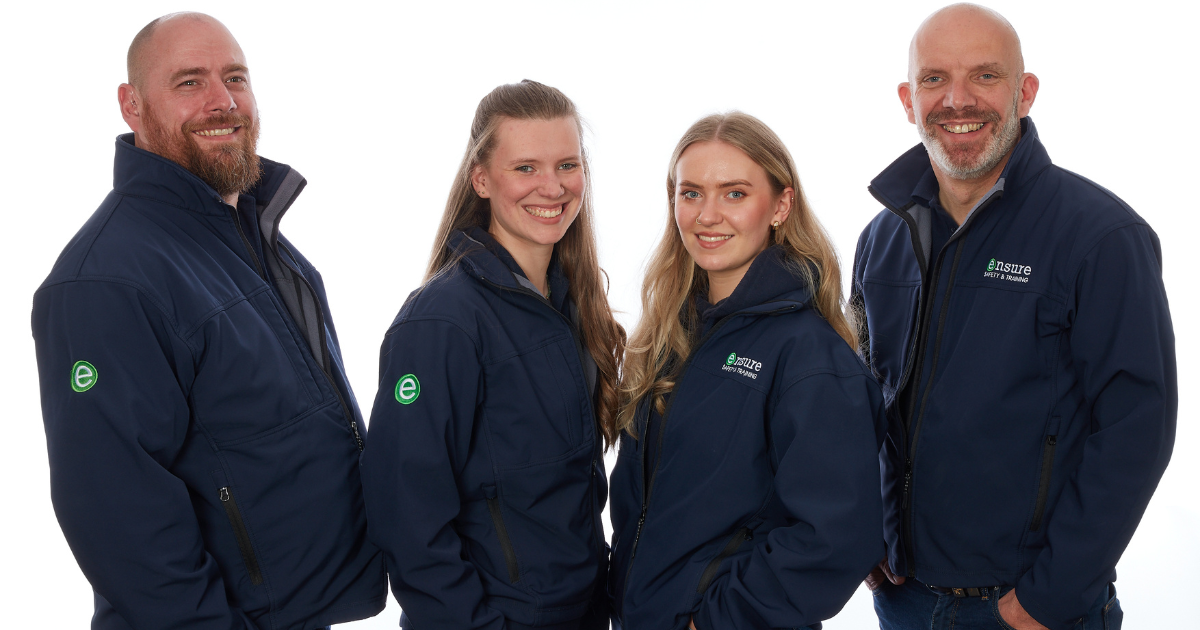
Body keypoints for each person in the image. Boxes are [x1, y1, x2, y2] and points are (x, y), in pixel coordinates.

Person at [31, 13, 386, 629]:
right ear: (132, 105)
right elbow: (116, 511)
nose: (223, 101)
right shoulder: (105, 280)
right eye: (190, 82)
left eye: (235, 78)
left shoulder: (251, 236)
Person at [853, 4, 1176, 630]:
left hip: (1030, 608)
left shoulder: (1101, 237)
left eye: (985, 75)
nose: (958, 99)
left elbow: (1136, 430)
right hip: (903, 600)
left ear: (1025, 92)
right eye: (934, 79)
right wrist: (863, 531)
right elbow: (861, 404)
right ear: (908, 100)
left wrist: (1047, 598)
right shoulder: (882, 239)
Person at [359, 80, 625, 630]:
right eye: (526, 167)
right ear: (480, 178)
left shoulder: (572, 304)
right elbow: (407, 518)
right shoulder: (441, 323)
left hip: (582, 613)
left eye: (567, 165)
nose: (552, 186)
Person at [608, 112, 886, 630]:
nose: (708, 215)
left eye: (734, 193)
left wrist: (713, 622)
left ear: (781, 206)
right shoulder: (669, 337)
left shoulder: (810, 356)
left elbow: (835, 538)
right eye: (691, 193)